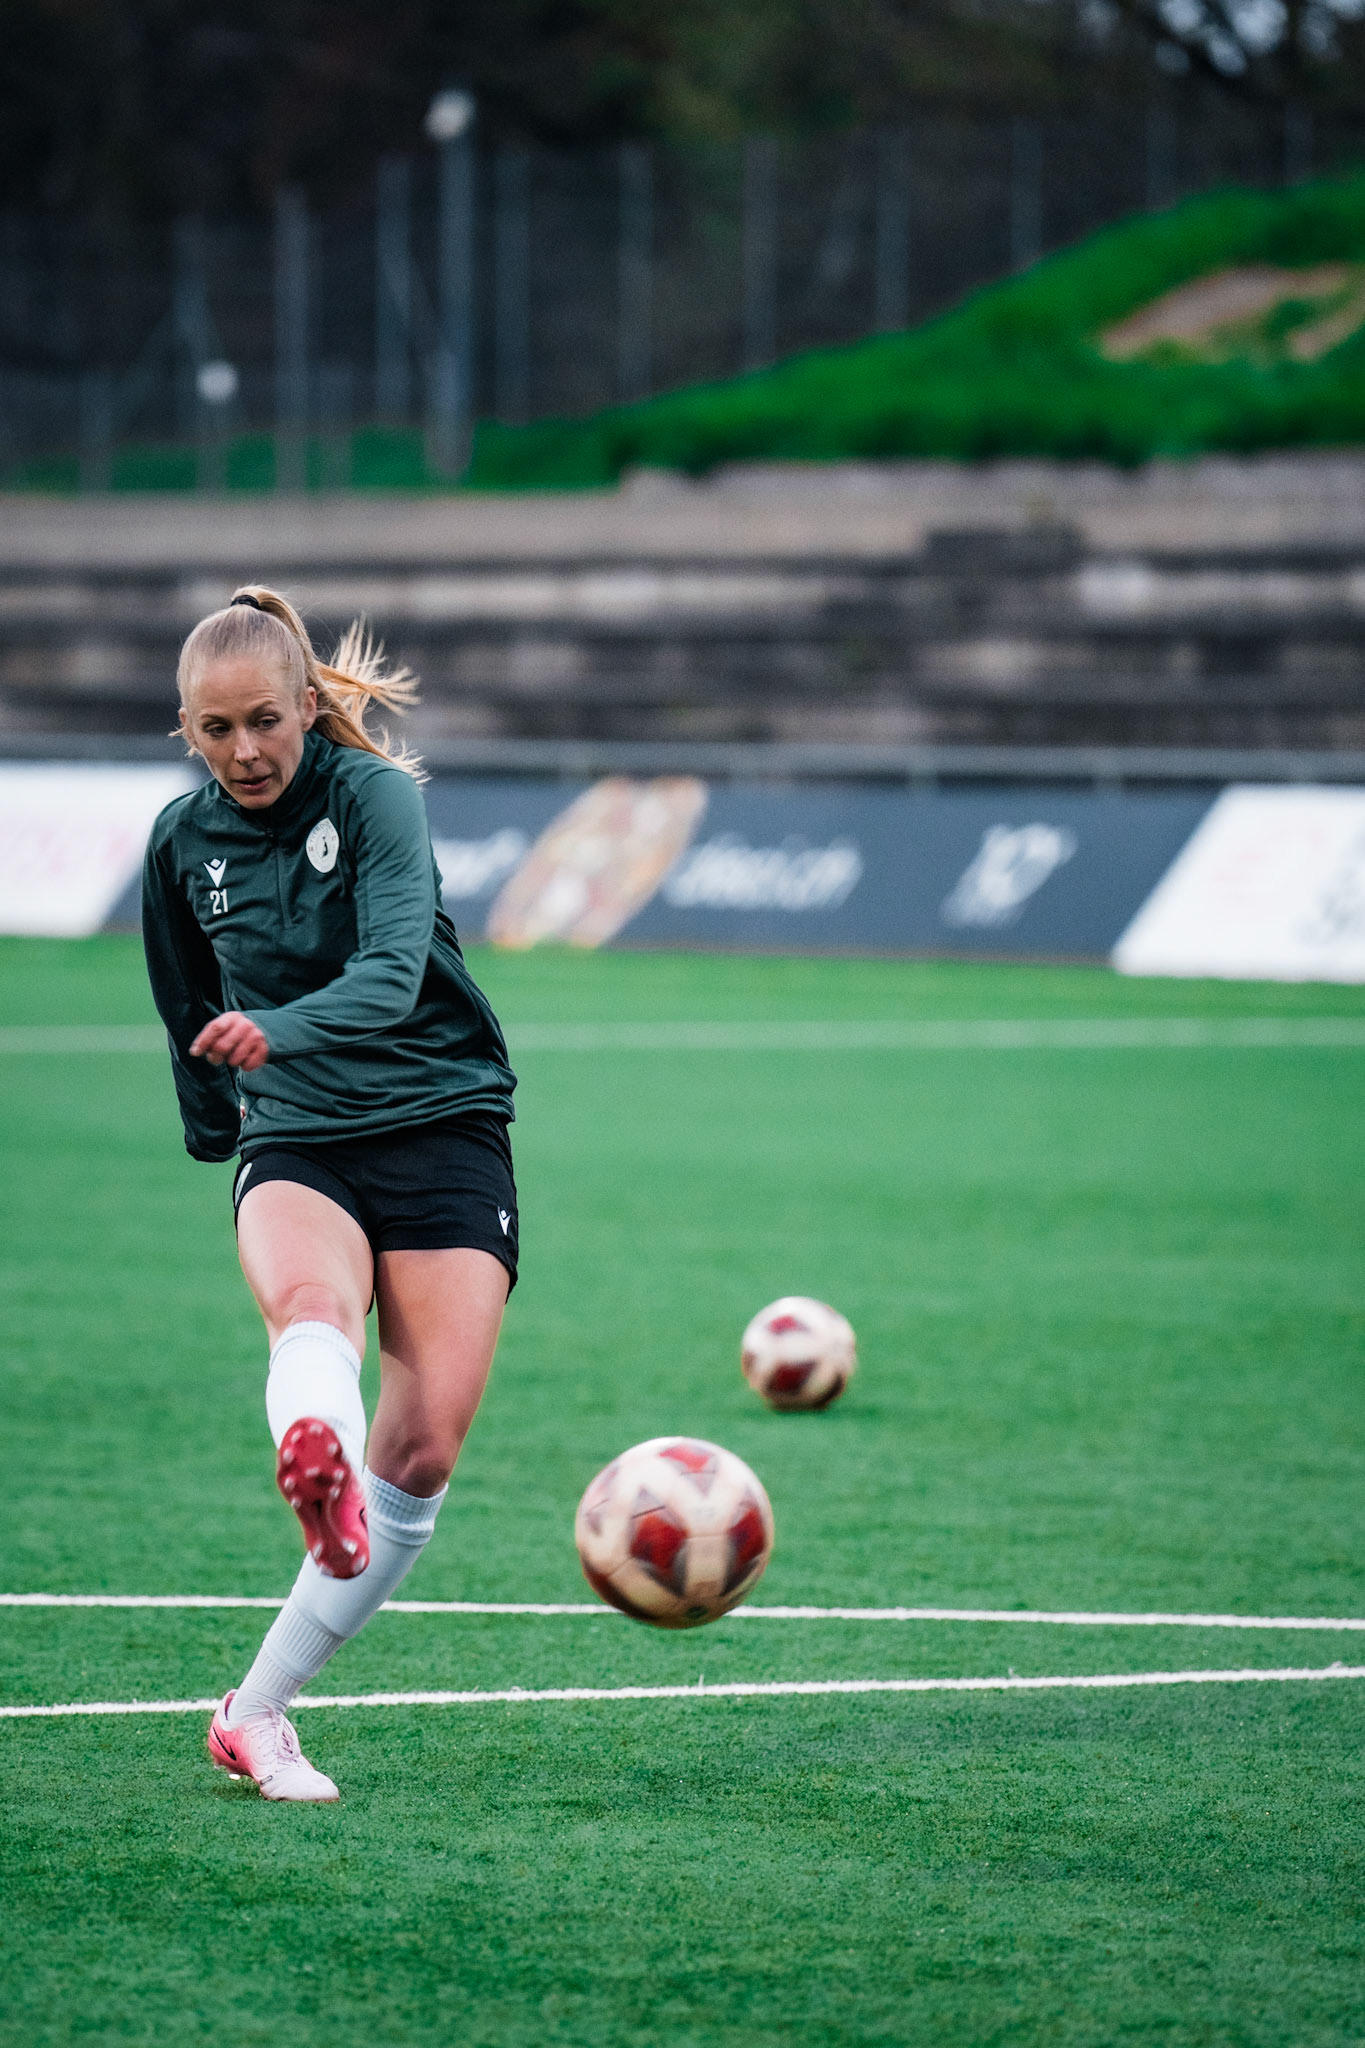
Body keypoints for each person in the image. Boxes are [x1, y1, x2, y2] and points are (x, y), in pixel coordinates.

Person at [142, 586, 517, 1802]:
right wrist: (221, 1134)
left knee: (425, 1448)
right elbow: (184, 1002)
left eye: (264, 719)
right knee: (310, 1305)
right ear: (187, 729)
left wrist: (274, 1029)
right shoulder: (179, 841)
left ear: (308, 704)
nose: (244, 749)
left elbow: (394, 972)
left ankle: (253, 1707)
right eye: (215, 728)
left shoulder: (375, 798)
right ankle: (320, 1459)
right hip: (297, 1133)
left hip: (442, 1117)